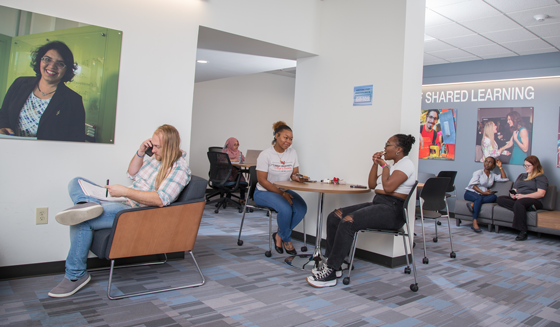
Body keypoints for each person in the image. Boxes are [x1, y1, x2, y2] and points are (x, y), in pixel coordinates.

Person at [48, 124, 191, 298]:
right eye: (151, 145)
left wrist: (124, 191)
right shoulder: (156, 159)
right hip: (124, 201)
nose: (152, 150)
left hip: (136, 212)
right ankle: (88, 203)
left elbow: (160, 199)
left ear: (169, 146)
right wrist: (140, 151)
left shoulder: (179, 169)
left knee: (82, 219)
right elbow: (132, 173)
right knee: (76, 181)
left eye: (157, 146)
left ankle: (75, 275)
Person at [307, 134, 416, 288]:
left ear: (398, 149)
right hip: (379, 204)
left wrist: (385, 167)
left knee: (348, 222)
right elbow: (372, 184)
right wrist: (376, 164)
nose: (384, 147)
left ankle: (330, 272)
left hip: (393, 210)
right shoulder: (394, 166)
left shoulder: (406, 164)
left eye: (388, 144)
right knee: (334, 216)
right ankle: (336, 264)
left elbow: (388, 187)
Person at [0, 41, 85, 142]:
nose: (52, 66)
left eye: (60, 63)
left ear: (66, 69)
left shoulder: (73, 100)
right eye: (47, 59)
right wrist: (3, 127)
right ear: (40, 60)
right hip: (13, 149)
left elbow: (77, 139)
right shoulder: (20, 83)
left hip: (47, 155)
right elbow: (3, 113)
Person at [254, 121, 307, 256]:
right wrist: (283, 195)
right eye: (285, 137)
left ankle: (279, 235)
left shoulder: (292, 153)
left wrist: (297, 178)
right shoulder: (265, 155)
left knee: (301, 208)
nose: (288, 141)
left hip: (282, 190)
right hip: (263, 191)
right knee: (285, 209)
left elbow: (294, 173)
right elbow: (262, 180)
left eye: (291, 139)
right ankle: (287, 240)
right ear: (276, 136)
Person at [496, 155, 547, 241]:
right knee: (500, 199)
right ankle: (526, 209)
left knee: (519, 203)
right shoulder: (522, 176)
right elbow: (514, 189)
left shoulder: (541, 177)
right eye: (525, 165)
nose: (526, 167)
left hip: (534, 201)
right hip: (519, 199)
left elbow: (541, 194)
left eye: (528, 165)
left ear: (535, 165)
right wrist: (513, 194)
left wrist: (524, 196)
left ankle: (523, 231)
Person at [464, 157, 508, 232]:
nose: (487, 163)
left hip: (481, 195)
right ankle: (475, 221)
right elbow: (473, 185)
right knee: (479, 199)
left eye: (490, 162)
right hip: (471, 192)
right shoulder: (478, 172)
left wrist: (500, 167)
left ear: (493, 165)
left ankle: (473, 205)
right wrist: (483, 193)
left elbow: (504, 179)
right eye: (486, 161)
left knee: (494, 197)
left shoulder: (492, 175)